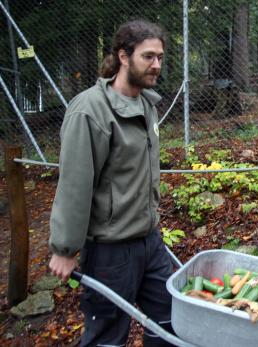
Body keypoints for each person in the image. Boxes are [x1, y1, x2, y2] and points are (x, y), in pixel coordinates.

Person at [48, 19, 174, 346]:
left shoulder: (147, 104)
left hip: (150, 241)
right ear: (123, 56)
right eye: (148, 56)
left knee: (170, 321)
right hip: (111, 252)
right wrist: (65, 248)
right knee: (107, 337)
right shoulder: (90, 111)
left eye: (160, 56)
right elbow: (75, 184)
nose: (156, 64)